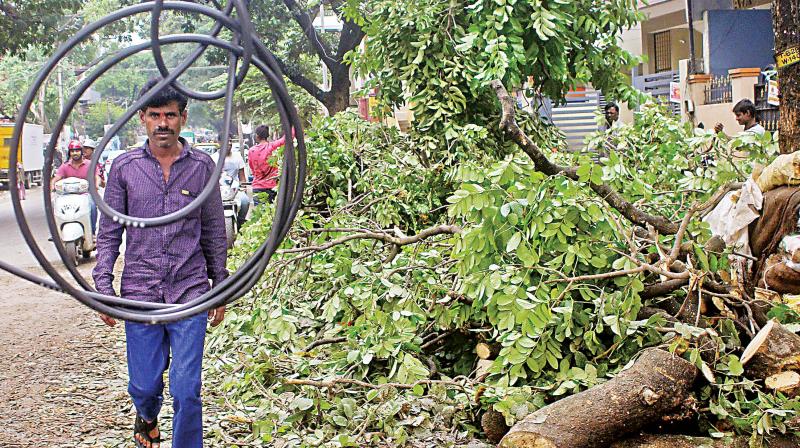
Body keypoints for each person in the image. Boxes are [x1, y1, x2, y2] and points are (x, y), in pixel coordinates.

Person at [92, 78, 228, 448]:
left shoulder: (202, 167)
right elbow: (109, 233)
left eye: (170, 115)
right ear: (142, 118)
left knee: (186, 389)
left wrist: (221, 289)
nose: (162, 123)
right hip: (140, 291)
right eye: (155, 115)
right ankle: (147, 416)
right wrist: (103, 288)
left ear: (183, 118)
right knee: (145, 384)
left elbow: (214, 230)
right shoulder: (124, 168)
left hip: (190, 291)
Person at [52, 139, 100, 235]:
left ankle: (92, 232)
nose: (75, 153)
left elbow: (97, 177)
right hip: (67, 196)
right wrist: (52, 187)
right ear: (69, 153)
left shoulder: (90, 164)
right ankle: (57, 233)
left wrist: (96, 185)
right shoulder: (65, 166)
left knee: (93, 206)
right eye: (72, 151)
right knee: (55, 206)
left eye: (77, 150)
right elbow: (56, 178)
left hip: (85, 194)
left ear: (81, 152)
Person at [211, 136, 250, 228]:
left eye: (230, 141)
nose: (229, 143)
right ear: (219, 142)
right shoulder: (213, 158)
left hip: (234, 190)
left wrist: (243, 189)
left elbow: (242, 176)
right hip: (218, 191)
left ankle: (241, 223)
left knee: (245, 201)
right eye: (226, 141)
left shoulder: (237, 156)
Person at [248, 124, 287, 204]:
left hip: (258, 187)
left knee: (260, 214)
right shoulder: (273, 147)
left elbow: (252, 169)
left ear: (257, 136)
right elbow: (286, 138)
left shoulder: (251, 151)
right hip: (272, 187)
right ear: (267, 135)